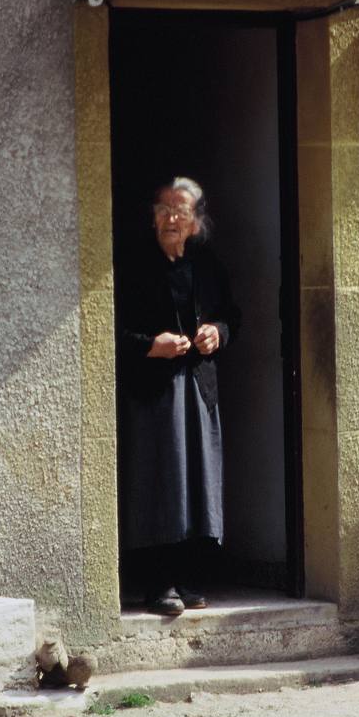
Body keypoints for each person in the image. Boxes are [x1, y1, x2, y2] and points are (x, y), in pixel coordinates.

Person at [116, 177, 241, 616]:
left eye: (182, 209)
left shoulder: (208, 267)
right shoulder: (132, 265)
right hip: (153, 393)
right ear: (152, 217)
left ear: (196, 222)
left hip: (198, 388)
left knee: (198, 481)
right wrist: (152, 345)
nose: (172, 216)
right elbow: (109, 332)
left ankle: (187, 578)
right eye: (165, 208)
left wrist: (216, 333)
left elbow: (232, 319)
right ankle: (156, 584)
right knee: (161, 482)